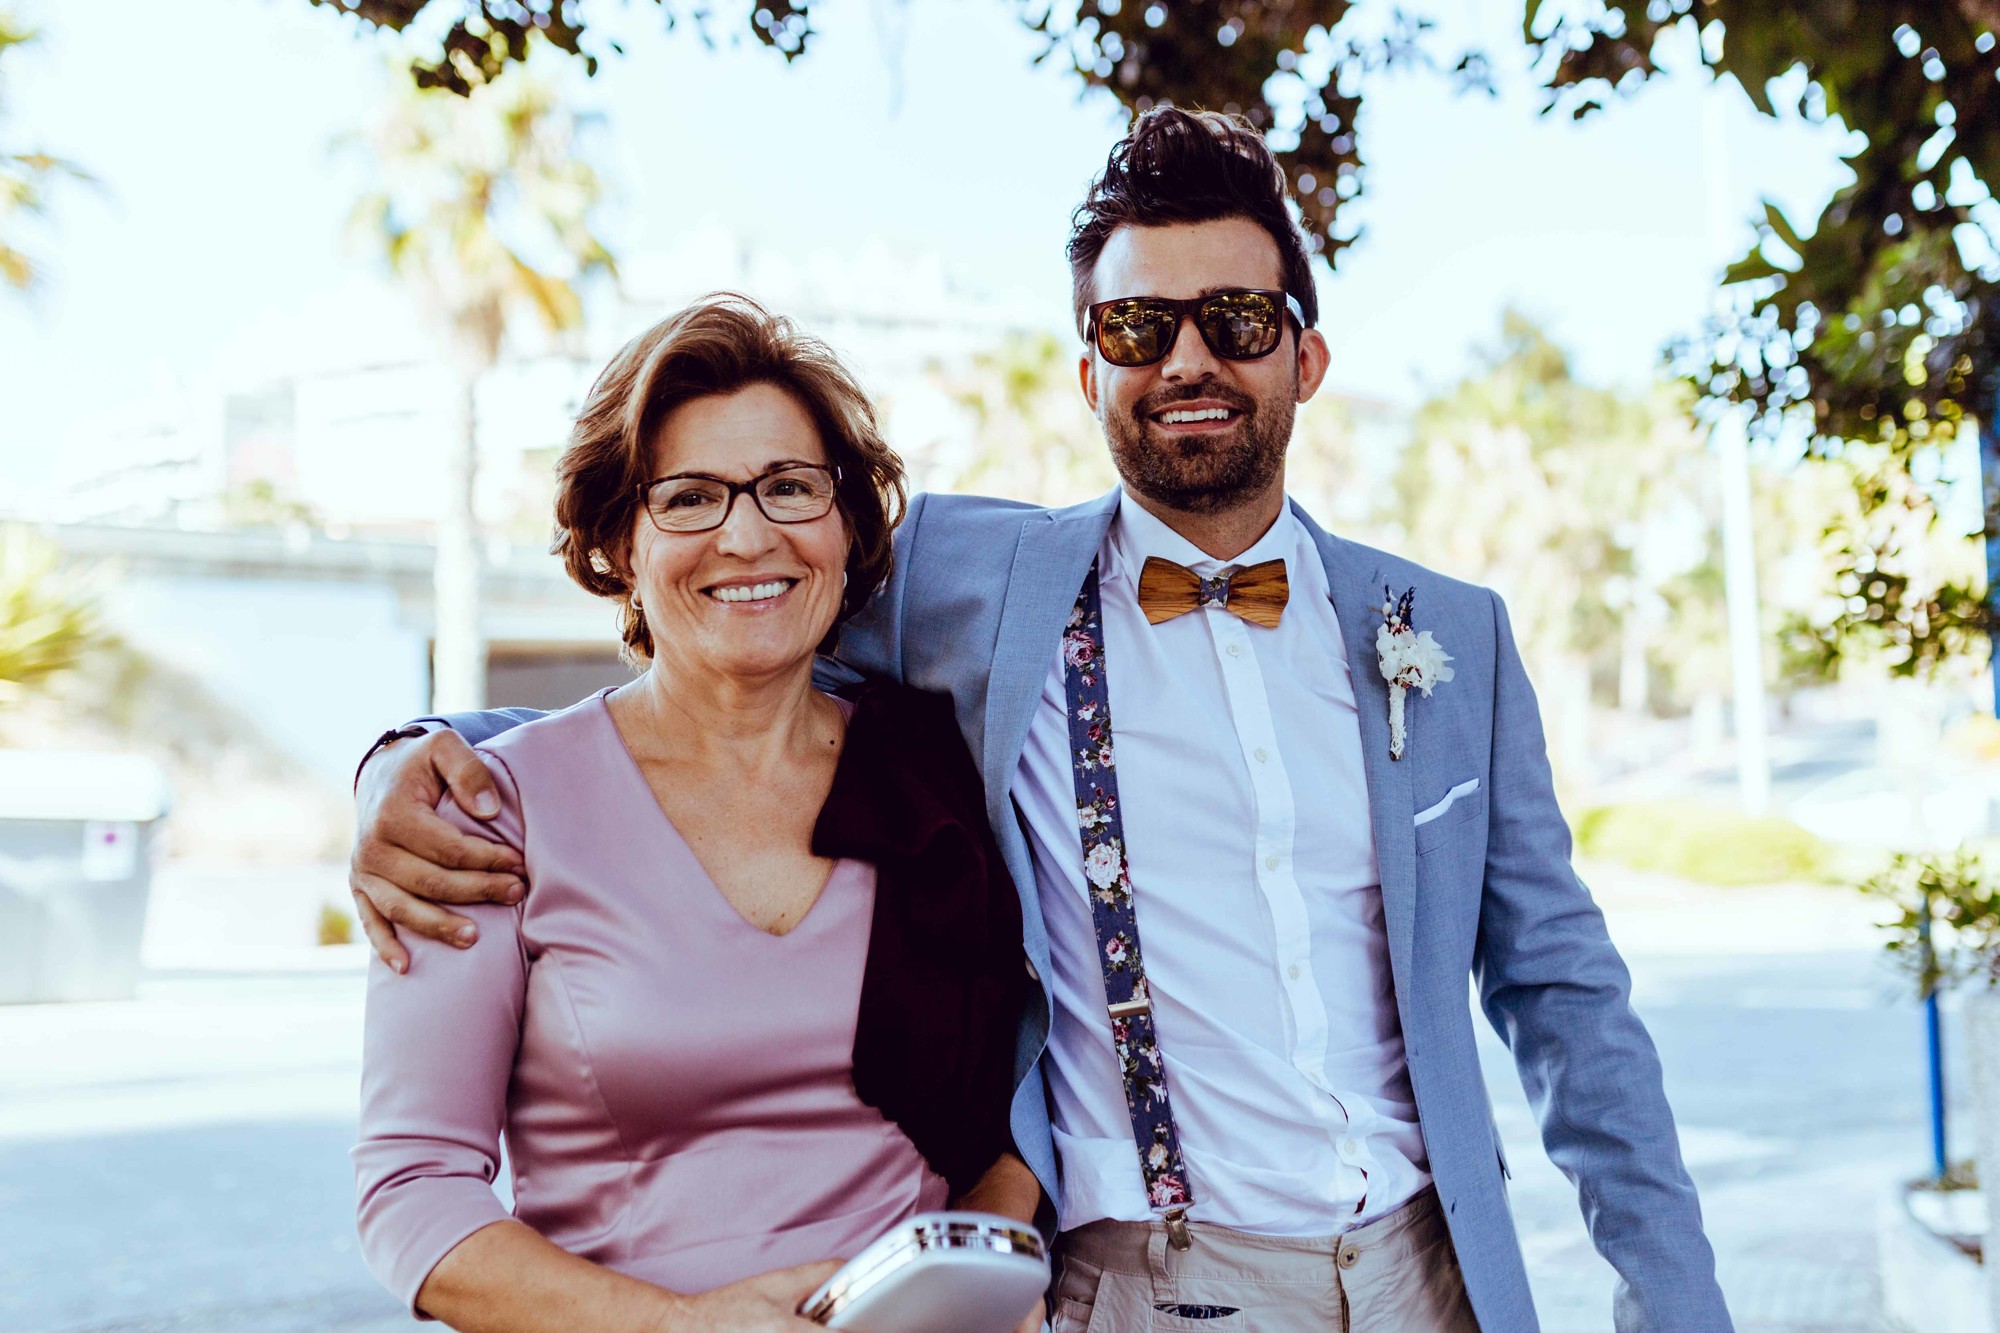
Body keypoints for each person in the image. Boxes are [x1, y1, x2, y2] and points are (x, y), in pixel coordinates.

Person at [351, 110, 1733, 1330]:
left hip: (1432, 1273)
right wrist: (405, 761)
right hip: (1151, 1282)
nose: (1188, 358)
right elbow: (715, 645)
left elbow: (1568, 999)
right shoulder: (972, 588)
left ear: (1305, 357)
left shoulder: (1450, 636)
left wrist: (1677, 1303)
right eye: (1140, 327)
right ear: (1089, 373)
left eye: (1237, 321)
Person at [350, 296, 1040, 1332]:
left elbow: (1026, 1095)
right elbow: (411, 1191)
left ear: (846, 525)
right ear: (619, 543)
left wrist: (993, 1275)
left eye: (789, 487)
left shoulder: (941, 774)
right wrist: (679, 1324)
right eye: (688, 498)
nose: (747, 533)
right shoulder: (488, 813)